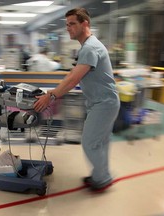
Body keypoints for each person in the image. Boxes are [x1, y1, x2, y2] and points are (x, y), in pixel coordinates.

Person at [33, 8, 120, 192]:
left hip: (104, 104)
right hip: (105, 103)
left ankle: (102, 178)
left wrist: (51, 96)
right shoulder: (88, 46)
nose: (68, 28)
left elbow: (73, 79)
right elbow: (74, 74)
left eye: (72, 24)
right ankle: (100, 174)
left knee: (89, 142)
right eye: (67, 25)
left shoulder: (90, 48)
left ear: (85, 24)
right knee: (100, 142)